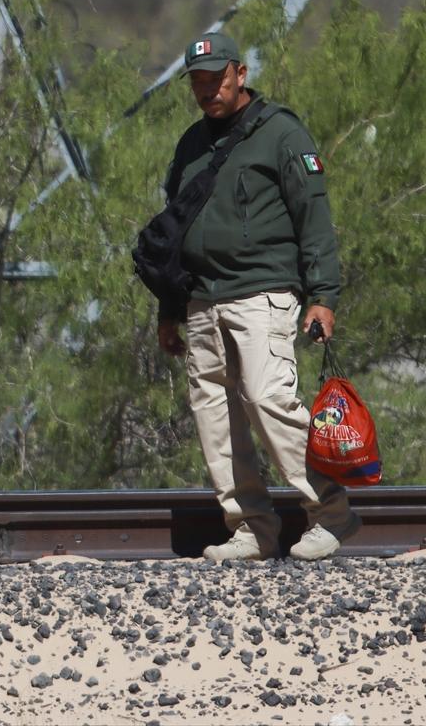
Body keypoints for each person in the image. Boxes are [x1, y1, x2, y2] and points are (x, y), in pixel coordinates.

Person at [155, 32, 360, 561]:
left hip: (262, 293)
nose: (207, 90)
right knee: (215, 416)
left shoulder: (281, 134)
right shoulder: (190, 146)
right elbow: (174, 232)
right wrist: (169, 309)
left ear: (240, 74)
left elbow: (314, 217)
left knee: (270, 401)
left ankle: (331, 514)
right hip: (202, 299)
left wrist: (324, 297)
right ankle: (251, 529)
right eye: (198, 81)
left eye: (216, 78)